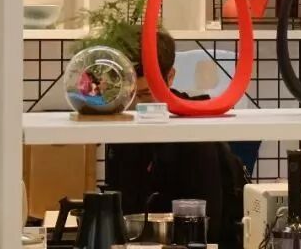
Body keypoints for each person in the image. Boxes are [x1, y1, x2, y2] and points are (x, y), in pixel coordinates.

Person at [104, 27, 247, 249]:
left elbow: (211, 229)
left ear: (170, 77)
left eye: (144, 94)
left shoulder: (195, 133)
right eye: (128, 94)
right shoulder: (122, 127)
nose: (135, 105)